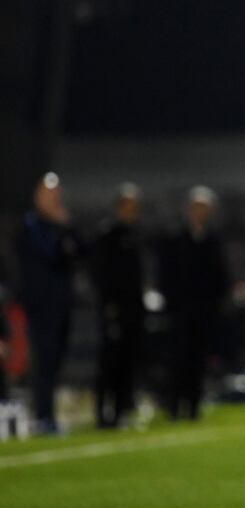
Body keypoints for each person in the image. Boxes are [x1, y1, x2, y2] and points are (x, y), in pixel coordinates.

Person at [13, 172, 84, 434]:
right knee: (44, 361)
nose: (55, 200)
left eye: (57, 195)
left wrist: (68, 227)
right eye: (49, 195)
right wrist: (62, 231)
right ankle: (43, 416)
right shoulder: (30, 226)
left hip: (62, 303)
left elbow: (82, 251)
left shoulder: (62, 224)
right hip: (40, 305)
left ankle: (48, 415)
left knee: (56, 361)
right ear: (38, 197)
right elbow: (52, 255)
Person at [158, 185, 228, 420]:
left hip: (204, 311)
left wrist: (215, 304)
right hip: (180, 310)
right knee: (178, 359)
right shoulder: (175, 238)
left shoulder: (212, 240)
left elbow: (220, 276)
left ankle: (193, 406)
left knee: (198, 360)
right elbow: (165, 275)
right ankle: (175, 406)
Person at [92, 183, 145, 428]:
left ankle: (122, 411)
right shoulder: (107, 236)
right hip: (114, 310)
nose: (133, 211)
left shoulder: (135, 235)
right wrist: (109, 306)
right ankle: (104, 413)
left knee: (127, 362)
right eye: (128, 206)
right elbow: (101, 276)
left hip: (133, 310)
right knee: (109, 363)